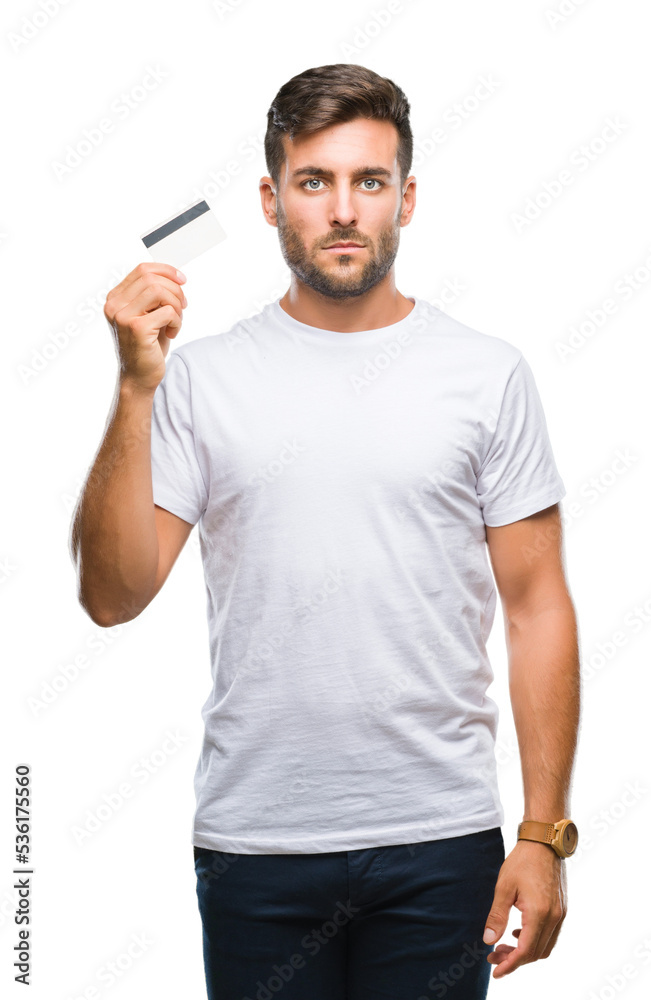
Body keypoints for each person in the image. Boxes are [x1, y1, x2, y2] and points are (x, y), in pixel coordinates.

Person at [69, 63, 581, 1000]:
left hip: (441, 842)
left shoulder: (486, 375)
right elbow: (111, 596)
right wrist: (135, 388)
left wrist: (543, 835)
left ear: (405, 198)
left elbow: (537, 607)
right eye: (313, 181)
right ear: (271, 201)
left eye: (368, 180)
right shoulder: (199, 379)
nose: (343, 209)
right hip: (255, 847)